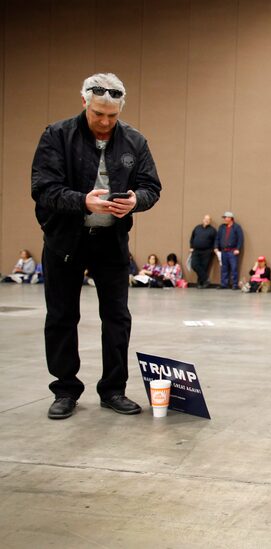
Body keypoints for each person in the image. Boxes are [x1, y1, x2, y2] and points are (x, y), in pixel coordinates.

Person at [31, 72, 161, 420]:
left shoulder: (135, 141)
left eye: (112, 115)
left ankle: (113, 389)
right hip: (64, 242)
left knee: (117, 318)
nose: (105, 122)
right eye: (98, 113)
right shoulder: (56, 136)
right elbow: (43, 188)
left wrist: (137, 200)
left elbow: (152, 187)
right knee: (61, 316)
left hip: (112, 243)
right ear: (84, 103)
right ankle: (65, 389)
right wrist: (81, 202)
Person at [214, 211, 243, 289]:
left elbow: (240, 239)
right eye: (224, 217)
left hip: (232, 251)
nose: (224, 219)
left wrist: (237, 249)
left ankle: (234, 284)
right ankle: (224, 284)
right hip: (223, 251)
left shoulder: (237, 227)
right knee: (224, 268)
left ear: (230, 218)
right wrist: (216, 247)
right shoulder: (222, 227)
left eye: (226, 217)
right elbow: (217, 238)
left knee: (234, 268)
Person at [190, 214, 217, 288]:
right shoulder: (197, 228)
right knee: (194, 265)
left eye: (208, 220)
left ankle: (200, 283)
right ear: (203, 220)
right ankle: (206, 279)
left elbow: (216, 241)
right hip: (196, 250)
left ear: (210, 221)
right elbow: (192, 238)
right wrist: (191, 247)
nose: (206, 221)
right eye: (205, 219)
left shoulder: (213, 230)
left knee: (204, 267)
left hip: (207, 251)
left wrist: (214, 249)